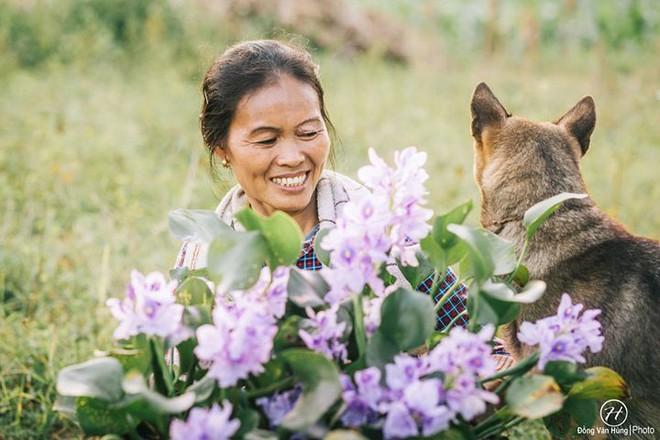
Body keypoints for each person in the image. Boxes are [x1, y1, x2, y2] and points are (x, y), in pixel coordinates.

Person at [175, 39, 468, 330]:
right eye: (267, 140)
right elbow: (177, 369)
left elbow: (488, 348)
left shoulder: (389, 234)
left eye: (308, 132)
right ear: (221, 148)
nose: (292, 158)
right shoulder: (200, 259)